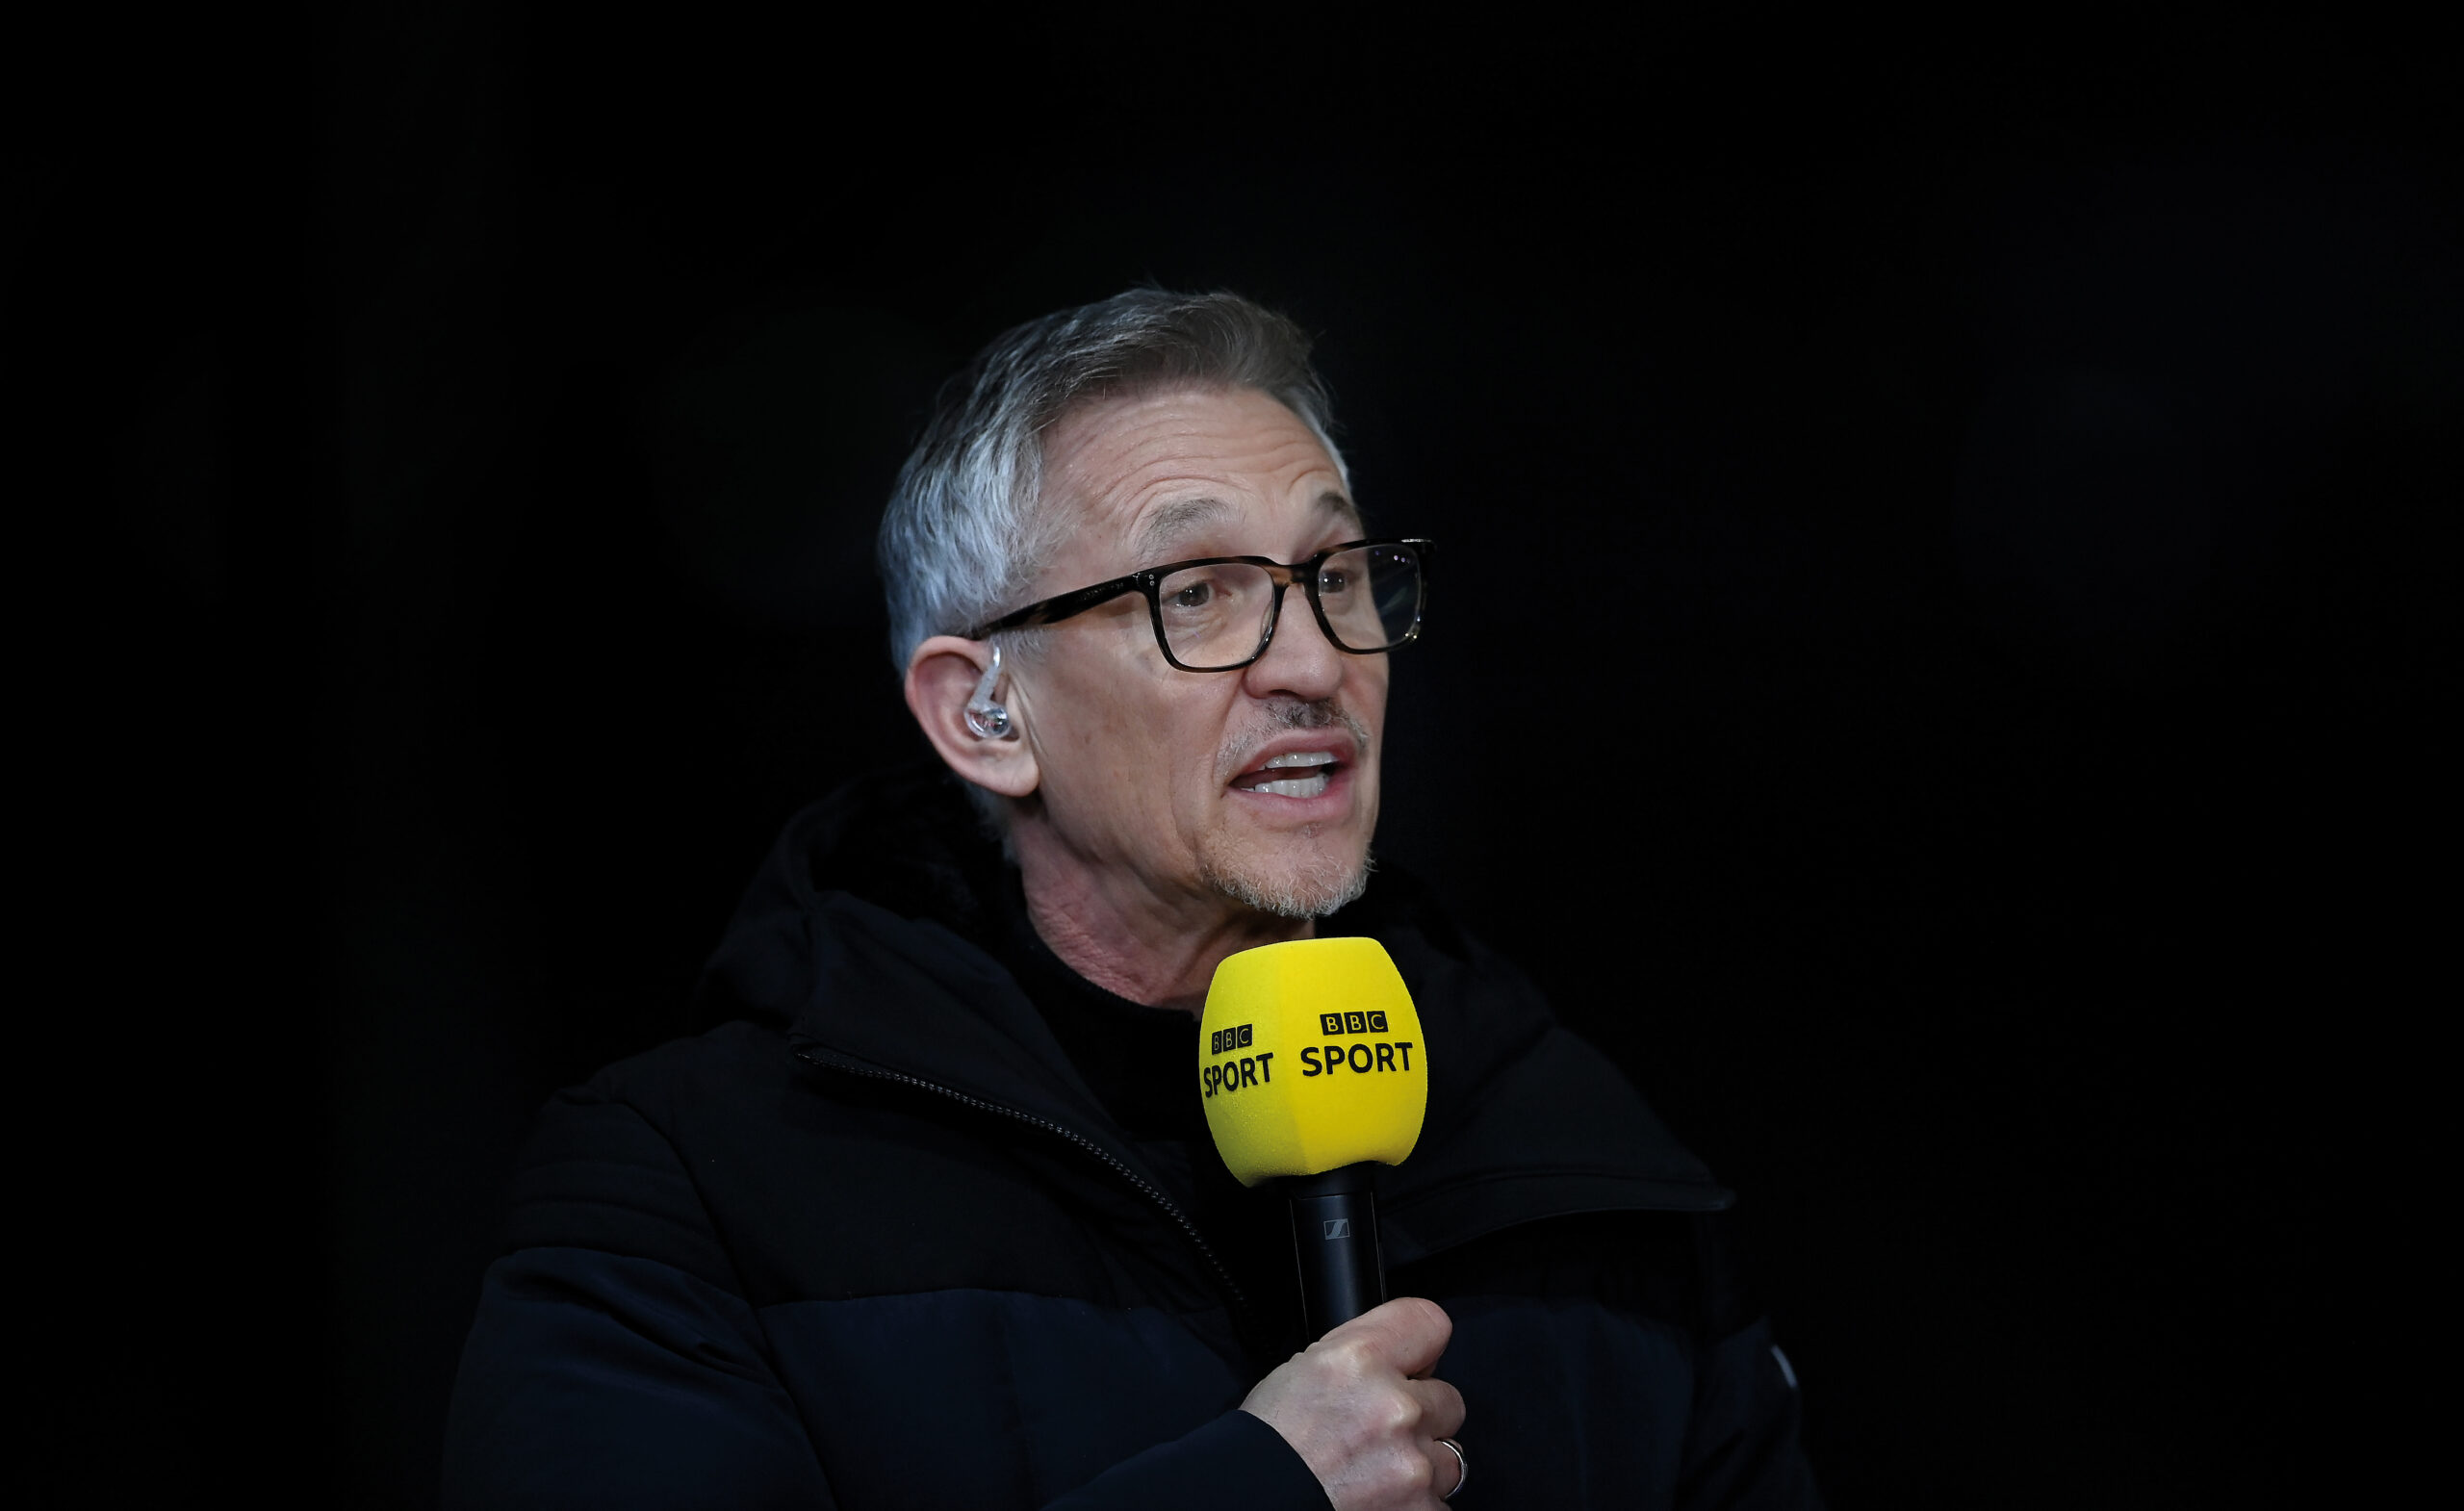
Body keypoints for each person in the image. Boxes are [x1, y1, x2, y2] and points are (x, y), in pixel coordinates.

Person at [443, 290, 1823, 1509]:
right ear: (985, 714)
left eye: (1337, 576)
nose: (1313, 664)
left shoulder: (1577, 1155)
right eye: (1198, 593)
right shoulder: (688, 1193)